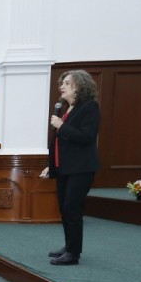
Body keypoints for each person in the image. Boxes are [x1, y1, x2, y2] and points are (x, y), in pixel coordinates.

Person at [41, 69, 101, 266]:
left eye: (67, 83)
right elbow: (60, 145)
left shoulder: (90, 107)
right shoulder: (67, 110)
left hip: (81, 168)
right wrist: (51, 166)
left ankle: (73, 253)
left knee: (72, 208)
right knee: (64, 209)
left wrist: (61, 125)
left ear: (79, 86)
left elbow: (86, 137)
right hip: (64, 168)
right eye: (62, 83)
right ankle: (68, 246)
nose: (61, 87)